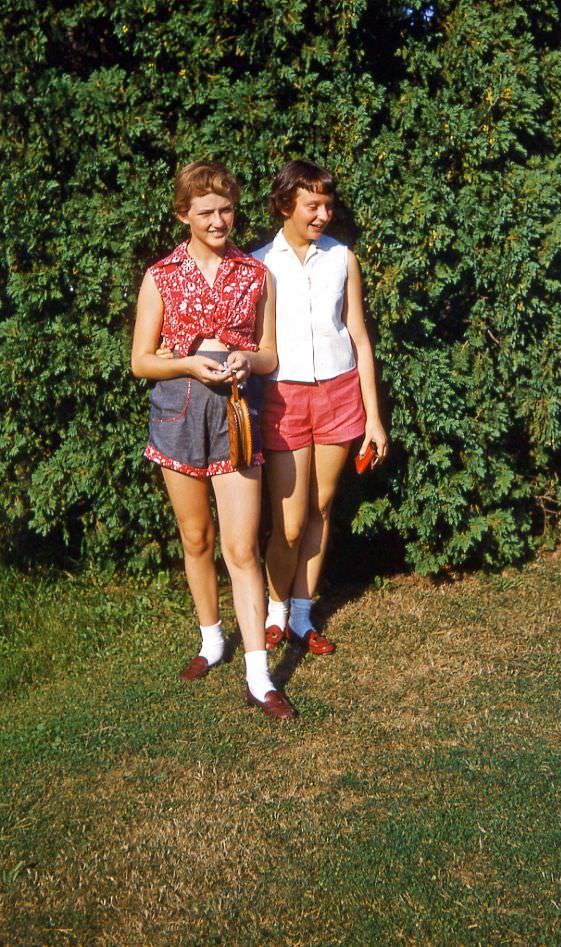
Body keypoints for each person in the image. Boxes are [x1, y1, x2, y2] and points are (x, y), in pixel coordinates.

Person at [131, 160, 295, 721]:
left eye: (226, 209)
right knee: (196, 538)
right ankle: (211, 640)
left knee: (242, 547)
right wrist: (190, 367)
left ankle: (258, 675)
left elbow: (272, 354)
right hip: (177, 414)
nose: (220, 219)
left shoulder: (255, 274)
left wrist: (247, 358)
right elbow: (140, 361)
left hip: (236, 415)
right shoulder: (160, 276)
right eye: (206, 212)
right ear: (184, 215)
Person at [253, 159, 388, 654]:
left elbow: (359, 337)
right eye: (313, 204)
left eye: (328, 204)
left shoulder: (342, 258)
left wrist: (373, 417)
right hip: (283, 399)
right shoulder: (259, 263)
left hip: (338, 395)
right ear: (286, 204)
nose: (323, 214)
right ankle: (275, 610)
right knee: (288, 523)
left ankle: (303, 618)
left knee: (322, 508)